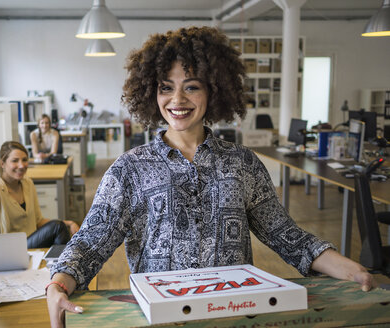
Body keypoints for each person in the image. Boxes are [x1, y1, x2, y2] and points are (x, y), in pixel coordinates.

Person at [46, 26, 373, 327]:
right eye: (166, 88)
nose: (177, 101)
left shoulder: (241, 162)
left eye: (191, 87)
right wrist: (58, 284)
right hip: (162, 318)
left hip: (233, 315)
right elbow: (91, 242)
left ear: (214, 91)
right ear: (150, 92)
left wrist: (349, 267)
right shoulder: (129, 169)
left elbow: (285, 235)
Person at [0, 141, 79, 248]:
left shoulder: (28, 183)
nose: (21, 165)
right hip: (8, 250)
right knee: (58, 227)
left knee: (60, 229)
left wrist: (68, 223)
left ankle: (59, 262)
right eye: (15, 161)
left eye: (24, 160)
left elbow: (39, 221)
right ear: (2, 164)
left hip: (29, 244)